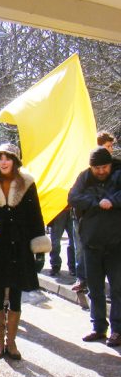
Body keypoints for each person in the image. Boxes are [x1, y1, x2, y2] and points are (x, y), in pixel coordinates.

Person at [0, 143, 50, 360]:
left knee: (15, 294)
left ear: (15, 161)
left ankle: (11, 343)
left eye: (8, 158)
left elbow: (36, 215)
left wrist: (39, 246)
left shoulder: (27, 183)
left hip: (19, 246)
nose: (3, 162)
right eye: (0, 158)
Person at [68, 147, 121, 346]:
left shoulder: (118, 174)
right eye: (96, 168)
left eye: (104, 167)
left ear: (110, 165)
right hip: (91, 242)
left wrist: (113, 201)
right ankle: (98, 327)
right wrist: (97, 202)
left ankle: (117, 330)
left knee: (117, 289)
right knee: (95, 289)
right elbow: (72, 197)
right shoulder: (85, 177)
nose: (100, 171)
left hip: (116, 244)